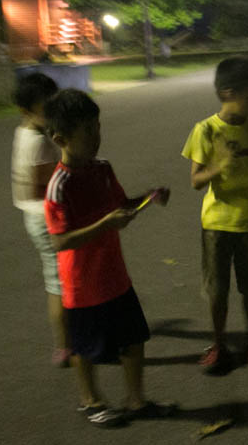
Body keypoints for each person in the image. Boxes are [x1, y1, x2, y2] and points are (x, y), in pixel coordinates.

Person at [44, 89, 172, 427]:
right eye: (88, 132)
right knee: (84, 348)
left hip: (115, 277)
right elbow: (60, 241)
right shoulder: (60, 185)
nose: (97, 137)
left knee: (133, 338)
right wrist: (104, 225)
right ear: (61, 138)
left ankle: (135, 400)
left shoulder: (102, 169)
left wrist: (148, 198)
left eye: (98, 127)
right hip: (83, 286)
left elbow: (121, 206)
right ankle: (90, 400)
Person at [181, 57, 248, 375]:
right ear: (228, 92)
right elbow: (195, 180)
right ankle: (218, 345)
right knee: (218, 289)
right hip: (217, 223)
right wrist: (220, 166)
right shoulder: (206, 130)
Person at [11, 73, 69, 366]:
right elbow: (45, 186)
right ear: (26, 110)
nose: (52, 113)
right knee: (58, 284)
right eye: (46, 109)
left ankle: (68, 341)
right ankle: (64, 347)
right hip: (46, 219)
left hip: (32, 216)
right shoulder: (39, 144)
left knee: (57, 280)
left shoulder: (23, 132)